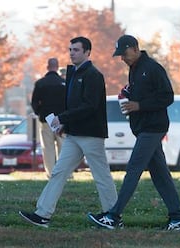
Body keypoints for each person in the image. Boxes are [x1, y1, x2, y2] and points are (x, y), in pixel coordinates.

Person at [87, 35, 180, 231]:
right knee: (160, 175)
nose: (122, 59)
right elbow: (143, 94)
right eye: (120, 56)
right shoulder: (134, 70)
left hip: (153, 128)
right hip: (144, 128)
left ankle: (113, 216)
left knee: (133, 169)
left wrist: (139, 105)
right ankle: (178, 218)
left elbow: (167, 96)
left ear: (134, 48)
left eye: (124, 54)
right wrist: (127, 96)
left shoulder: (152, 68)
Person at [19, 36, 118, 227]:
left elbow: (90, 106)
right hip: (73, 135)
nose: (72, 52)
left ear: (88, 52)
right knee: (58, 172)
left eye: (76, 50)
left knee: (101, 176)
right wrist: (65, 124)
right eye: (70, 49)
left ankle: (113, 216)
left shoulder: (93, 75)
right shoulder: (73, 74)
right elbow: (72, 105)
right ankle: (42, 214)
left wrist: (63, 118)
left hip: (91, 134)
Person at [31, 58, 66, 179]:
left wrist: (40, 113)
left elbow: (34, 102)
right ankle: (63, 172)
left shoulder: (40, 83)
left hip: (46, 119)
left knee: (48, 147)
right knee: (63, 146)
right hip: (61, 120)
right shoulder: (64, 83)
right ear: (57, 67)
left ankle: (51, 173)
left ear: (47, 67)